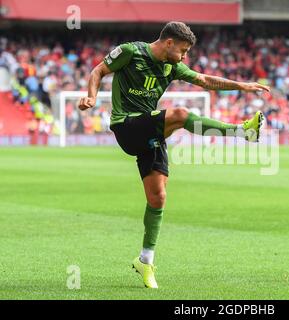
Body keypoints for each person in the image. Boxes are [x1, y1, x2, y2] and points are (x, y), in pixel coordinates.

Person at [77, 21, 270, 288]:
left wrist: (242, 86)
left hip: (150, 133)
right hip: (127, 125)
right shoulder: (131, 52)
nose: (184, 56)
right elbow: (98, 71)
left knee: (158, 197)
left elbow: (204, 80)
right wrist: (91, 97)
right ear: (169, 43)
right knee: (179, 114)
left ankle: (145, 261)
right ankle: (242, 133)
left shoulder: (172, 66)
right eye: (183, 50)